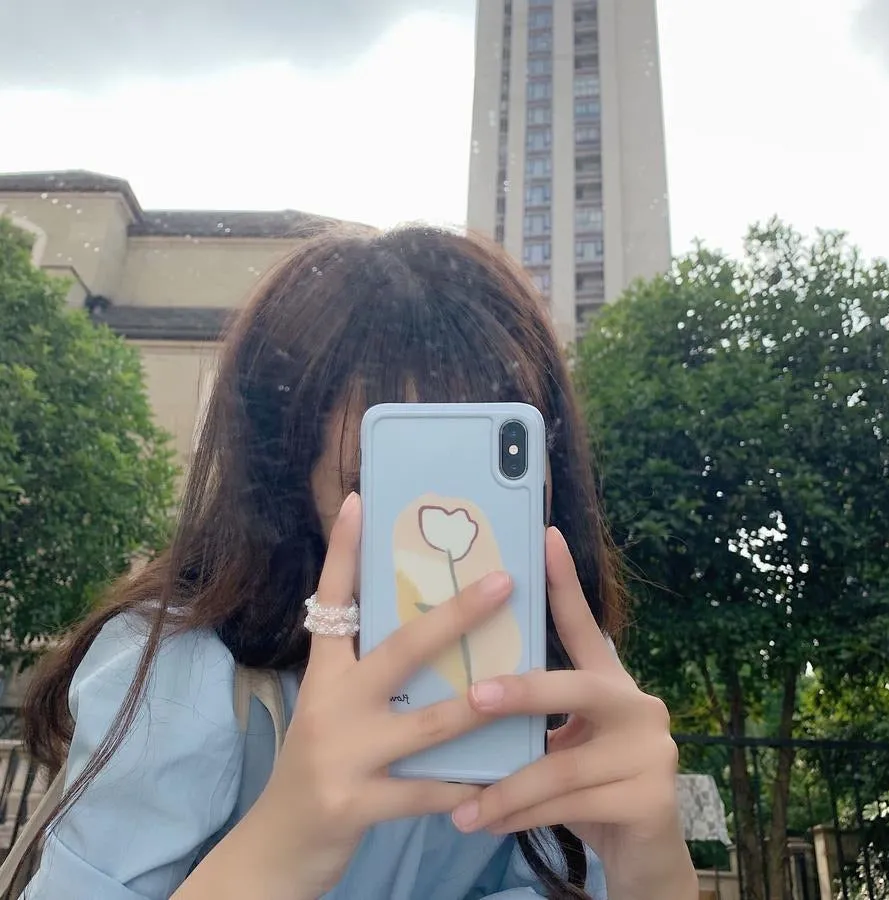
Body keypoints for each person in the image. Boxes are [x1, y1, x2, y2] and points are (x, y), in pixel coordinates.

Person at [19, 225, 697, 900]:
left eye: (488, 476)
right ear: (289, 482)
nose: (441, 525)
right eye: (394, 476)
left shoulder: (563, 685)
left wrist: (654, 875)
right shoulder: (184, 667)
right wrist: (278, 850)